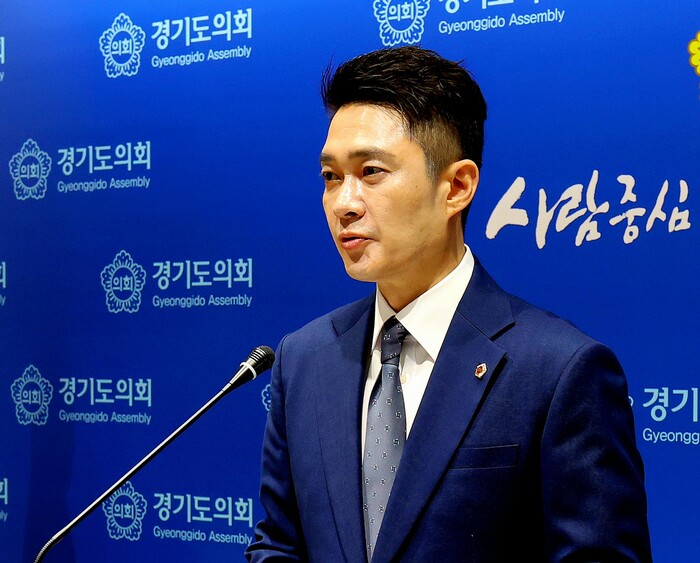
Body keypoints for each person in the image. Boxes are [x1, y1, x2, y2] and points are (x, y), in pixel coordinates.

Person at [245, 46, 651, 562]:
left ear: (457, 186)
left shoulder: (558, 371)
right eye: (331, 177)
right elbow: (278, 544)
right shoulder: (304, 359)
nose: (344, 203)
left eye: (371, 171)